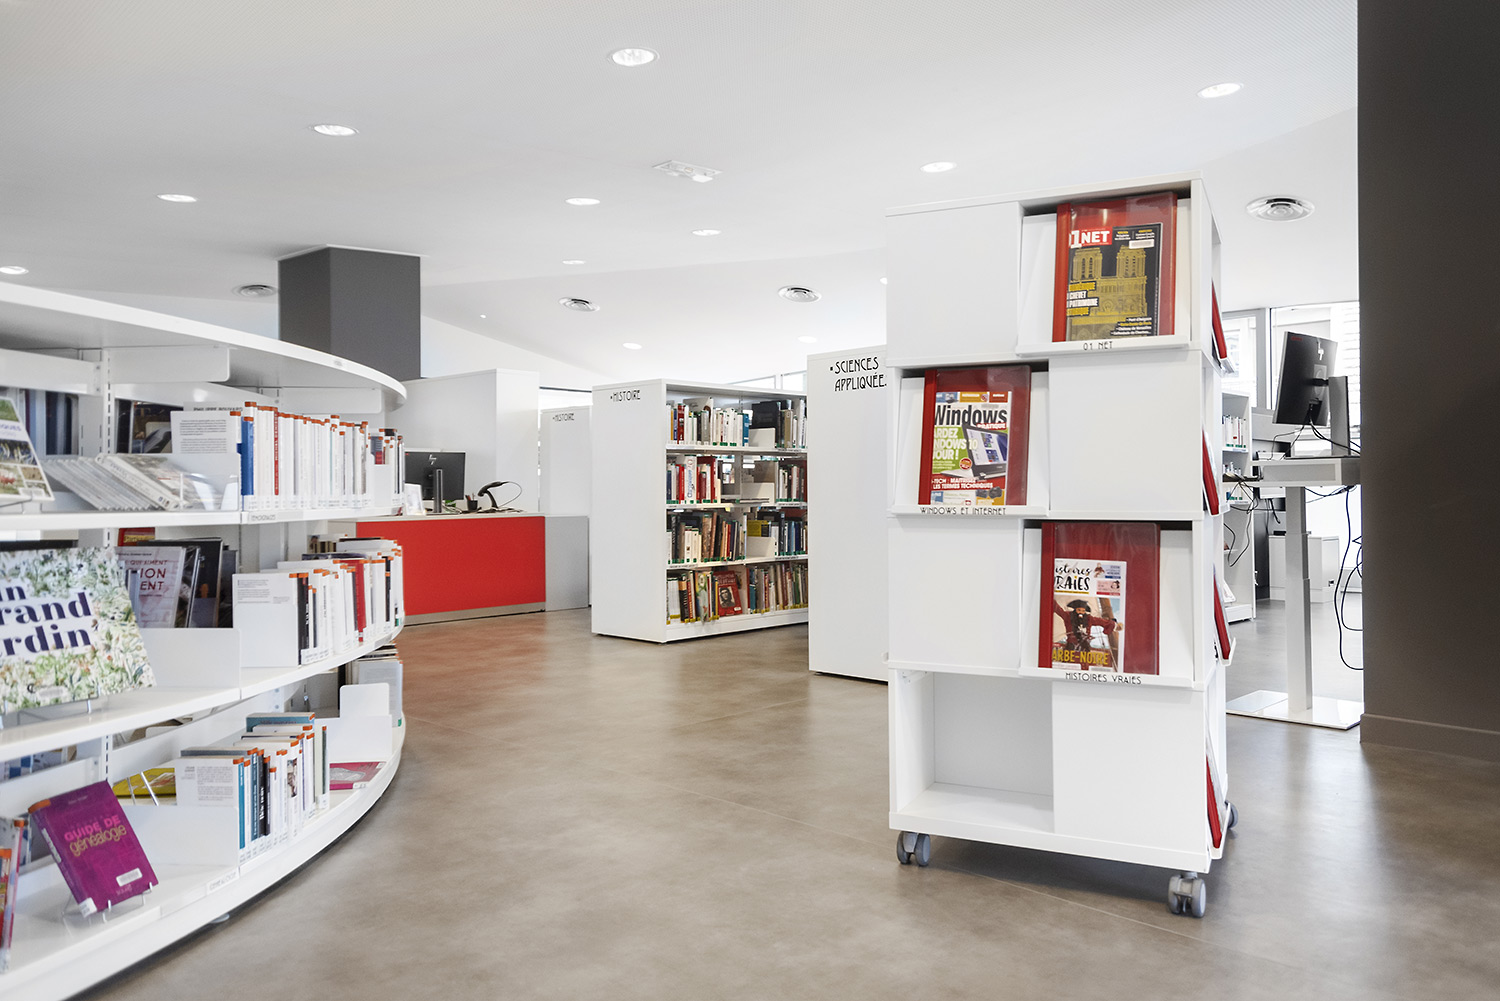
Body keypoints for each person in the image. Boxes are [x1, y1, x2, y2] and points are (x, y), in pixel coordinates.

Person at [1051, 597, 1120, 670]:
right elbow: (1059, 611)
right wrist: (1051, 600)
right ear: (1075, 610)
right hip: (1071, 649)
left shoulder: (1088, 619)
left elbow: (1100, 621)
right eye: (1079, 610)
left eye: (1083, 611)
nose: (1081, 612)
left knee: (1085, 666)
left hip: (1085, 649)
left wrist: (1112, 624)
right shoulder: (1068, 616)